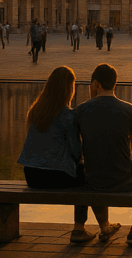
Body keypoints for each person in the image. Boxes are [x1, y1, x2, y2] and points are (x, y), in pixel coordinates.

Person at [16, 66, 117, 243]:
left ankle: (103, 226)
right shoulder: (67, 116)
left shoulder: (36, 110)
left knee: (83, 175)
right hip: (53, 176)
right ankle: (84, 228)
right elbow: (76, 152)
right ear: (69, 89)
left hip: (31, 175)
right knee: (88, 177)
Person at [74, 64, 132, 247]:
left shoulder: (80, 110)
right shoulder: (129, 110)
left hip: (93, 177)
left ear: (96, 84)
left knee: (91, 174)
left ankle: (102, 226)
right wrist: (131, 167)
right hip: (122, 175)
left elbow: (75, 149)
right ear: (114, 84)